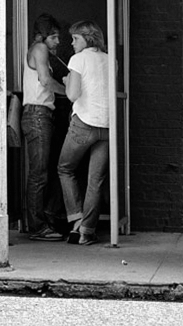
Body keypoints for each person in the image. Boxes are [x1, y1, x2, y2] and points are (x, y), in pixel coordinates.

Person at [57, 19, 111, 246]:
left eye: (75, 38)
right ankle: (87, 232)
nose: (72, 43)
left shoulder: (78, 59)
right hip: (106, 126)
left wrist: (68, 80)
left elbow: (72, 95)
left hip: (83, 123)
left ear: (87, 38)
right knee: (95, 180)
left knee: (65, 168)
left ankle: (76, 219)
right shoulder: (110, 60)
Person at [20, 13, 67, 241]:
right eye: (54, 37)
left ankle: (44, 219)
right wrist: (71, 92)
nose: (58, 41)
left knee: (44, 172)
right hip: (38, 114)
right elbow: (45, 81)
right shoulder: (39, 48)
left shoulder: (41, 50)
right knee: (39, 174)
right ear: (42, 36)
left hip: (42, 115)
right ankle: (37, 227)